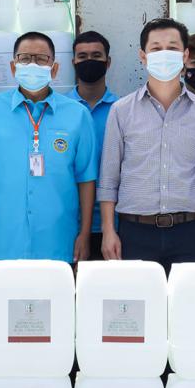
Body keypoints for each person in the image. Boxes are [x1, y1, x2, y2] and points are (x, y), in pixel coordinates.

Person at [0, 32, 97, 266]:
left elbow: (86, 178)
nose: (32, 65)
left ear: (54, 69)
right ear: (13, 67)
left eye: (41, 59)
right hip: (0, 241)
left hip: (59, 241)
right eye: (25, 58)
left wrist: (84, 234)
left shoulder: (78, 115)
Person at [98, 18, 195, 269]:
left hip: (190, 232)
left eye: (172, 48)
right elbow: (109, 179)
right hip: (135, 232)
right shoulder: (121, 111)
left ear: (185, 55)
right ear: (143, 56)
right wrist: (108, 231)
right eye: (156, 48)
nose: (164, 54)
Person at [68, 30, 118, 262]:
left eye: (96, 56)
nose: (89, 61)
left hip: (113, 226)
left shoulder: (123, 110)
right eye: (83, 56)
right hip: (67, 223)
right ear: (73, 62)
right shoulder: (58, 109)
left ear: (108, 62)